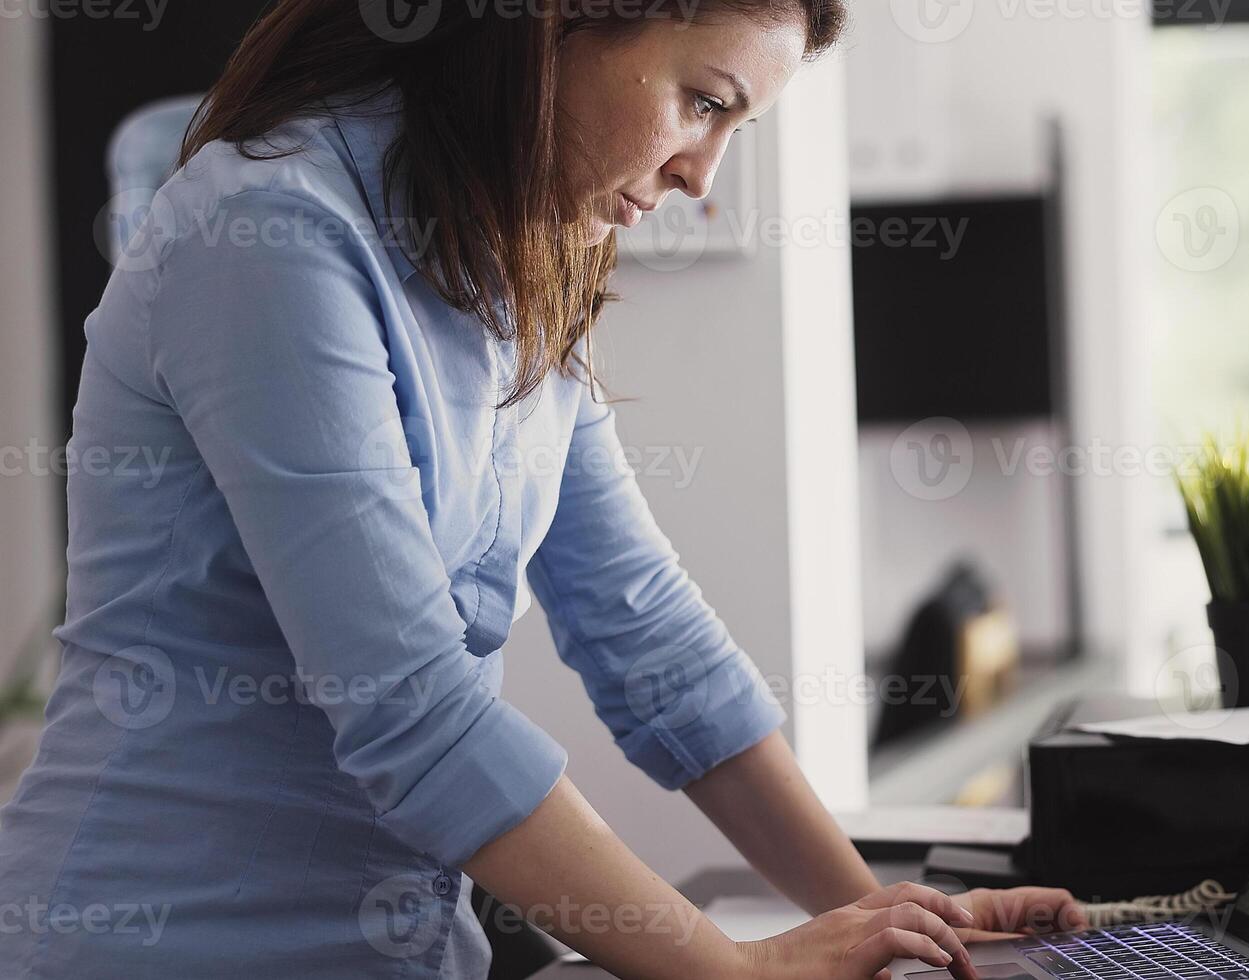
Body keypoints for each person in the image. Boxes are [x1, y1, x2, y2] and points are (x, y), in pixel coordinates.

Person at [0, 1, 1085, 976]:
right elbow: (413, 709)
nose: (701, 176)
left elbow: (651, 641)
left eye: (732, 128)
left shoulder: (507, 265)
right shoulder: (269, 233)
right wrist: (736, 973)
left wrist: (888, 915)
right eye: (700, 102)